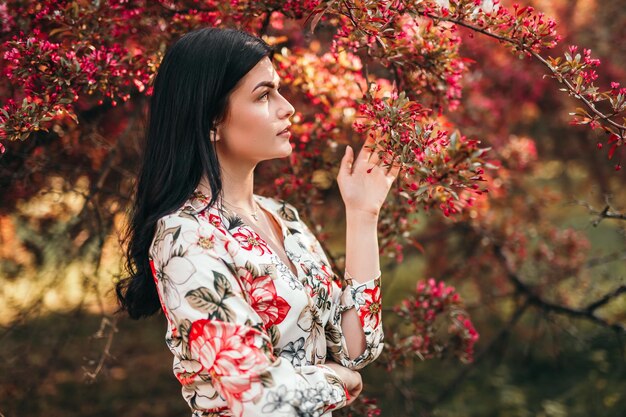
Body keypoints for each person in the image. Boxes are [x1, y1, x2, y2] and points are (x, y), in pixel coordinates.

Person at [115, 27, 400, 417]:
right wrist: (339, 384)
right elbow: (262, 400)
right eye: (264, 95)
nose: (287, 108)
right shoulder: (186, 237)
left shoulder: (283, 217)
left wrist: (363, 216)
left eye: (279, 90)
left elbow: (355, 350)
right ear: (211, 120)